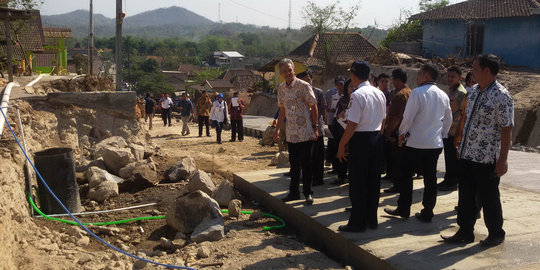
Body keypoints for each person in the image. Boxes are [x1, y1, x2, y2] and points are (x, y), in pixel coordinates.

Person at [442, 54, 513, 247]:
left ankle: (496, 233)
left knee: (488, 197)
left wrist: (503, 160)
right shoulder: (472, 92)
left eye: (475, 68)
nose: (471, 71)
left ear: (487, 71)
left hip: (487, 157)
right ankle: (465, 231)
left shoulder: (502, 96)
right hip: (467, 153)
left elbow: (506, 129)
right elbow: (466, 120)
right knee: (465, 195)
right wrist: (460, 142)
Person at [384, 64, 452, 222]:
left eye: (420, 75)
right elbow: (448, 119)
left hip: (415, 142)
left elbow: (408, 118)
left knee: (406, 175)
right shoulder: (443, 95)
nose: (418, 77)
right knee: (430, 178)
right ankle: (428, 210)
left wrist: (402, 134)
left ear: (427, 76)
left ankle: (404, 208)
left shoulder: (417, 93)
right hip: (434, 144)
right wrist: (443, 135)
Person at [336, 60, 386, 232]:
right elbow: (383, 120)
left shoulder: (357, 95)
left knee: (357, 183)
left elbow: (352, 125)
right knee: (373, 182)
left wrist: (341, 145)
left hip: (361, 140)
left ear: (354, 76)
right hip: (376, 138)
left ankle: (357, 223)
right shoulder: (379, 93)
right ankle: (371, 219)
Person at [273, 58, 319, 205]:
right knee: (293, 165)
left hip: (305, 132)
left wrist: (315, 127)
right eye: (284, 71)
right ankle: (294, 192)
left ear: (294, 70)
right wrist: (278, 129)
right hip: (291, 134)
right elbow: (282, 110)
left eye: (290, 70)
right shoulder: (281, 89)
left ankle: (308, 193)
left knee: (306, 165)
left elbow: (314, 106)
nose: (288, 73)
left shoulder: (304, 86)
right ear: (281, 73)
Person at [438, 66, 467, 191]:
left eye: (452, 76)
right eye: (448, 76)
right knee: (448, 157)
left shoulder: (461, 93)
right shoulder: (452, 91)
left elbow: (461, 113)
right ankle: (448, 179)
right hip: (448, 129)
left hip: (455, 131)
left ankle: (452, 182)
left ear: (460, 77)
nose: (450, 78)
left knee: (453, 158)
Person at [382, 69, 412, 194]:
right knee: (404, 161)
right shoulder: (410, 92)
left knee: (397, 160)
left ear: (397, 80)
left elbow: (395, 117)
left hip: (397, 132)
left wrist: (387, 133)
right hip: (407, 132)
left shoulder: (400, 96)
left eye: (393, 79)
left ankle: (397, 185)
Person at [297, 70, 326, 186]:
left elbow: (323, 109)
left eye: (309, 79)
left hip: (317, 128)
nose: (307, 81)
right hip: (304, 129)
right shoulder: (299, 93)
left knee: (318, 156)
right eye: (305, 79)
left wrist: (318, 123)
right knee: (306, 155)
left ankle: (318, 178)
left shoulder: (318, 92)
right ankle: (307, 176)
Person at [330, 79, 352, 185]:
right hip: (343, 132)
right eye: (350, 87)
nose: (353, 89)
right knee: (342, 155)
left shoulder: (360, 99)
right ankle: (341, 177)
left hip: (356, 134)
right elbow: (337, 116)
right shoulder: (343, 100)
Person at [326, 77, 345, 174]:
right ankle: (335, 167)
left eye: (341, 84)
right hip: (334, 122)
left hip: (344, 124)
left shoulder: (348, 96)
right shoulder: (333, 95)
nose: (339, 86)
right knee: (333, 145)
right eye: (337, 84)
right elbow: (330, 109)